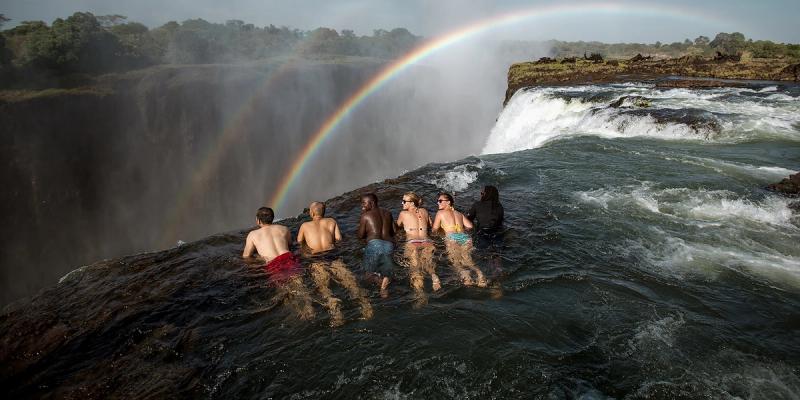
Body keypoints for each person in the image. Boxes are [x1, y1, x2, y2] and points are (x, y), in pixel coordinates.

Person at [297, 201, 372, 326]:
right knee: (350, 282)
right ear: (324, 212)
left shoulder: (304, 226)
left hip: (316, 258)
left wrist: (305, 253)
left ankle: (336, 312)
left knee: (324, 288)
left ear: (311, 212)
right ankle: (366, 306)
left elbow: (299, 242)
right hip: (332, 255)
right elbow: (339, 239)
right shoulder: (332, 221)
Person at [243, 207, 314, 320]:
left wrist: (258, 259)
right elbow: (290, 244)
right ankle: (309, 308)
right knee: (299, 284)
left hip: (273, 263)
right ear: (272, 218)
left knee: (284, 289)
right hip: (288, 257)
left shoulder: (253, 234)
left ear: (258, 220)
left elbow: (246, 256)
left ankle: (297, 314)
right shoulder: (284, 229)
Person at [432, 192, 487, 287]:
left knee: (456, 262)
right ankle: (480, 274)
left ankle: (466, 277)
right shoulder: (459, 213)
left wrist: (441, 231)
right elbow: (470, 226)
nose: (438, 203)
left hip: (451, 237)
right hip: (465, 238)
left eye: (440, 201)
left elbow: (434, 229)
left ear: (448, 202)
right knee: (468, 260)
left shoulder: (440, 213)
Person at [396, 192, 440, 306]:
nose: (402, 203)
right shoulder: (424, 211)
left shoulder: (403, 213)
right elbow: (430, 225)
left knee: (415, 269)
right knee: (428, 264)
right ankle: (434, 277)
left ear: (411, 203)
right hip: (427, 242)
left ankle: (420, 294)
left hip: (412, 242)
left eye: (404, 201)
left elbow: (398, 226)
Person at [357, 193, 395, 297]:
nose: (362, 206)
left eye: (364, 203)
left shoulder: (365, 215)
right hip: (389, 245)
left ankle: (380, 280)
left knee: (367, 275)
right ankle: (385, 283)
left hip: (374, 244)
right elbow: (393, 231)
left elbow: (360, 236)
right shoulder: (388, 213)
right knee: (386, 270)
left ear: (372, 202)